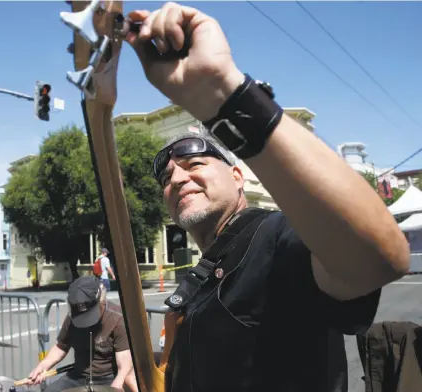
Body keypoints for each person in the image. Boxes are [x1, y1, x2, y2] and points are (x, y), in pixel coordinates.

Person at [124, 3, 411, 391]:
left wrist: (224, 94)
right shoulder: (201, 273)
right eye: (166, 175)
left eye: (194, 163)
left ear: (238, 176)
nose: (175, 177)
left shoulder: (276, 236)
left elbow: (378, 258)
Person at [28, 276, 137, 392]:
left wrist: (117, 385)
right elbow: (61, 347)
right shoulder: (72, 317)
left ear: (102, 301)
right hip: (77, 376)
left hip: (108, 378)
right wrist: (43, 366)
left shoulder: (118, 319)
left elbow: (124, 366)